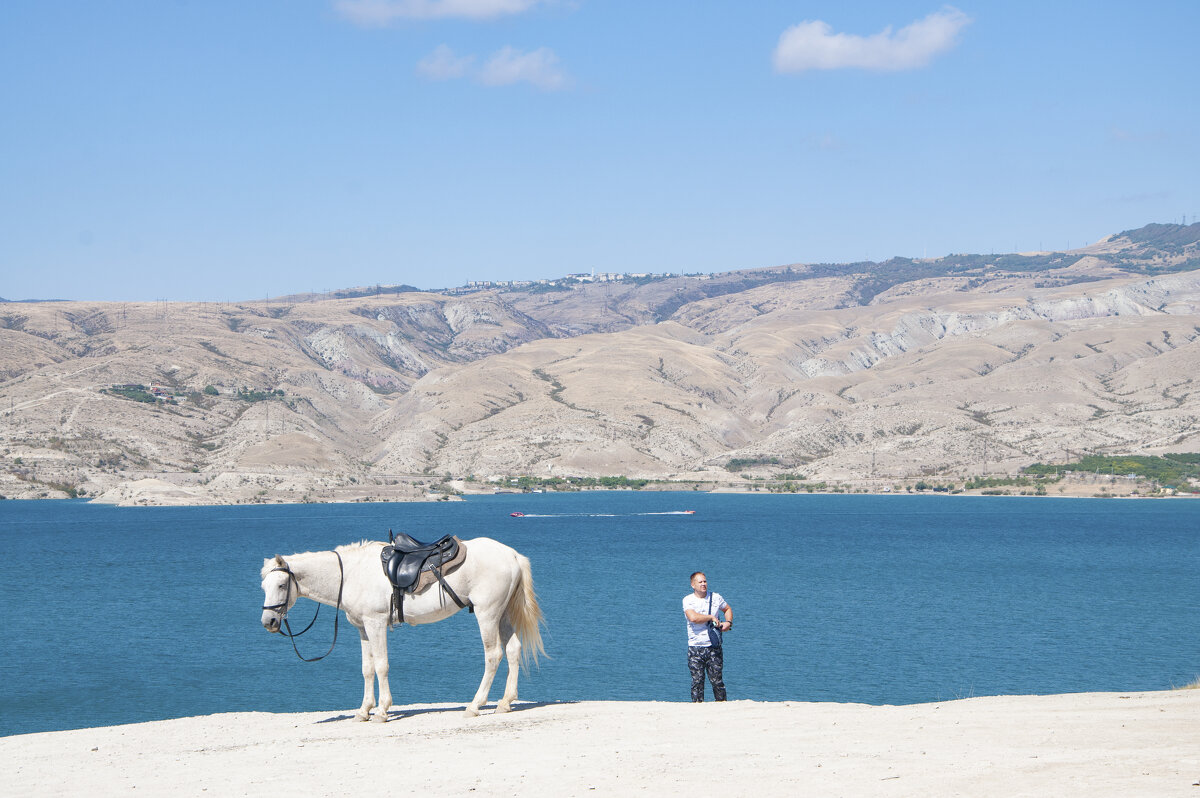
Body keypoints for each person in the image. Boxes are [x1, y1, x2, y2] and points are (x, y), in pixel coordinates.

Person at [682, 571, 732, 702]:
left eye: (705, 581)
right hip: (695, 647)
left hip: (713, 647)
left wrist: (728, 622)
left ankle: (722, 706)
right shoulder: (688, 600)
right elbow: (693, 617)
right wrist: (710, 617)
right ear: (693, 585)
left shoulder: (715, 597)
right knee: (697, 682)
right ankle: (697, 708)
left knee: (717, 681)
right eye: (700, 582)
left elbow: (727, 609)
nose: (703, 584)